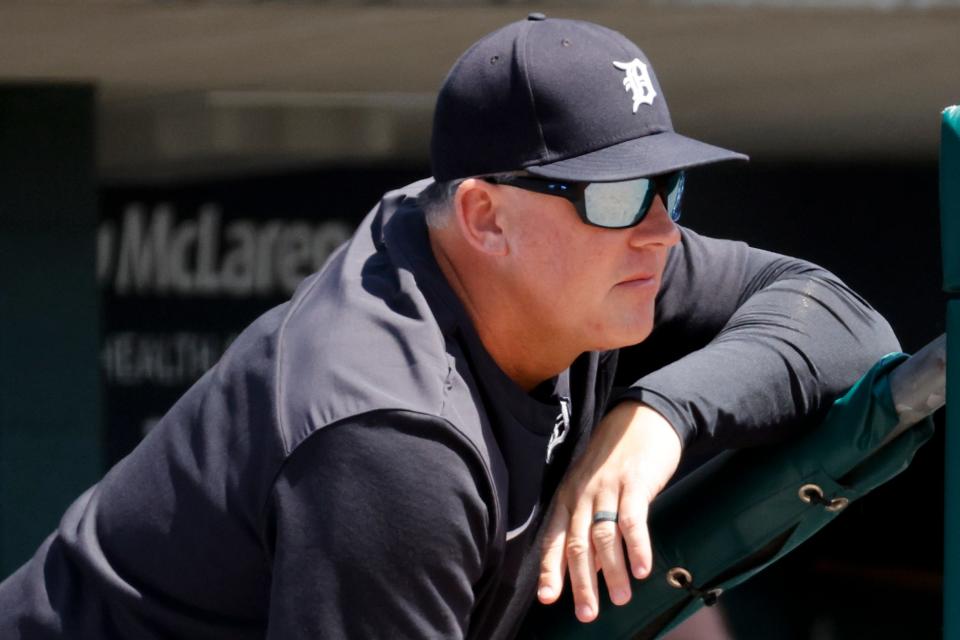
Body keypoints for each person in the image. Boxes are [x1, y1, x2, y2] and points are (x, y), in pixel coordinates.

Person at [0, 14, 898, 640]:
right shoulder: (393, 437)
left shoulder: (571, 262)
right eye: (621, 192)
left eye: (671, 186)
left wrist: (660, 415)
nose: (660, 227)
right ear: (483, 216)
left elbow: (848, 325)